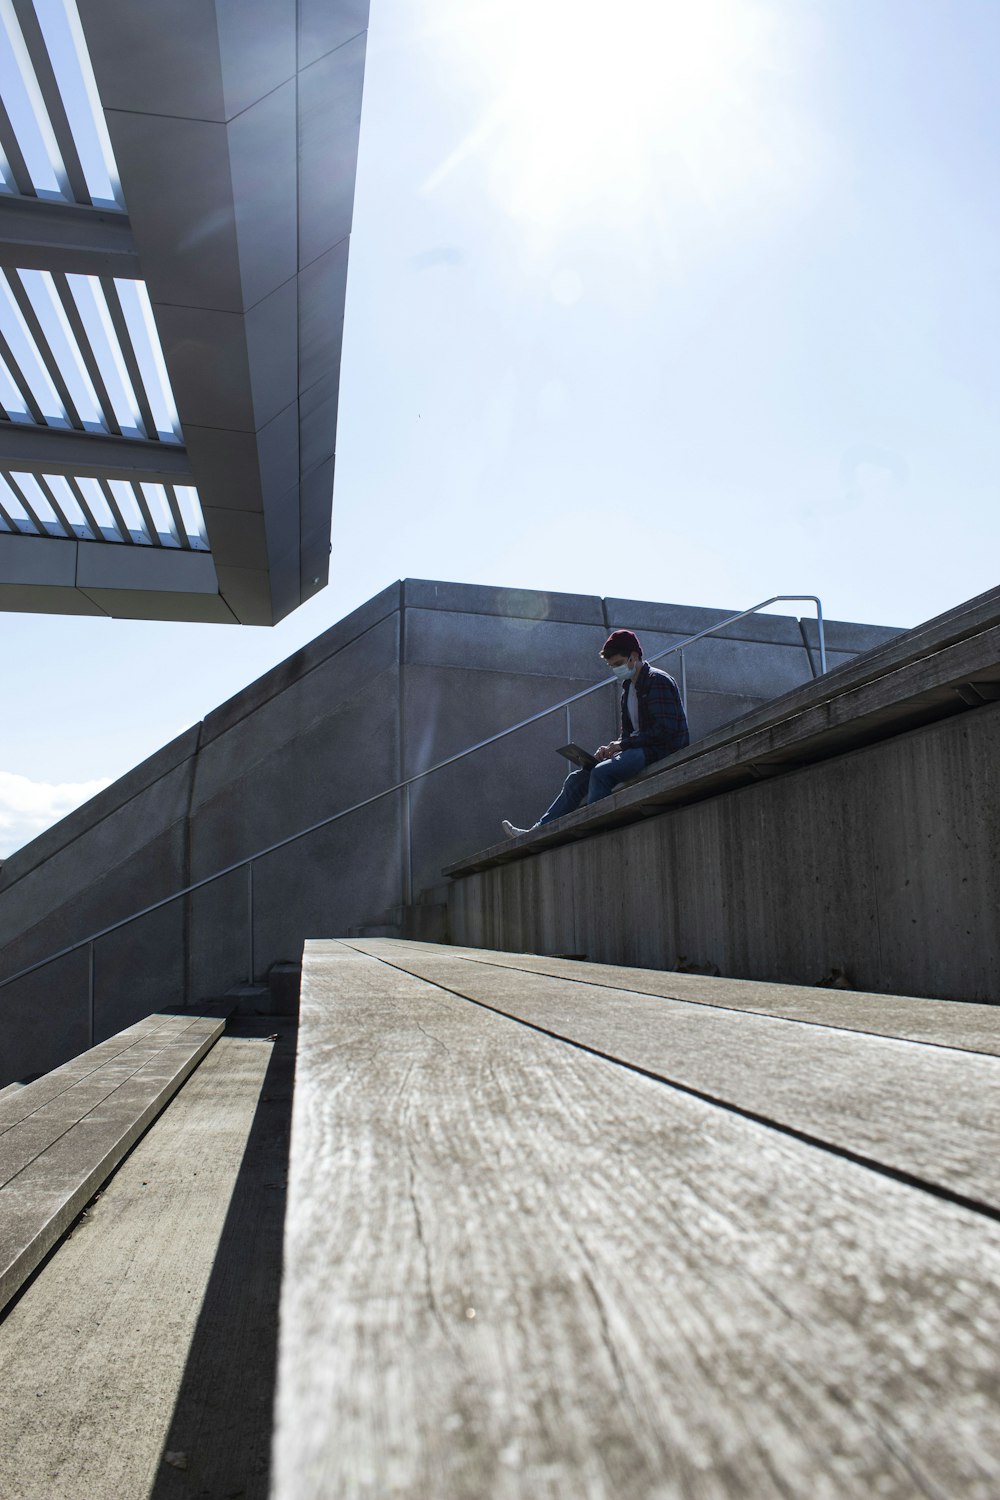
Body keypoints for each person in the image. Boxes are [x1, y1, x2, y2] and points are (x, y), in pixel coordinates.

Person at [502, 629, 690, 837]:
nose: (615, 670)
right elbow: (629, 735)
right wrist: (612, 747)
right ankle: (536, 833)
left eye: (618, 664)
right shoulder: (628, 689)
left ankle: (597, 834)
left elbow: (666, 730)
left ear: (634, 656)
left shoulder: (658, 681)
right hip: (639, 749)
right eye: (612, 666)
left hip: (662, 749)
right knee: (575, 780)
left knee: (602, 773)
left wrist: (622, 746)